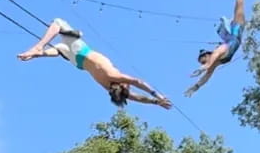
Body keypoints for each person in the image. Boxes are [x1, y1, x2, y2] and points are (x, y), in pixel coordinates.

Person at [18, 18, 172, 109]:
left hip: (81, 51)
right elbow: (135, 98)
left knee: (58, 22)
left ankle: (39, 46)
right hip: (77, 62)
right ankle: (39, 54)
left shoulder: (115, 76)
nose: (129, 85)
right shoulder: (108, 87)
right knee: (59, 49)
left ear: (123, 85)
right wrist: (156, 102)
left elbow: (139, 82)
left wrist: (157, 95)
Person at [185, 0, 249, 97]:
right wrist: (195, 87)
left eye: (203, 61)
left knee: (239, 3)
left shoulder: (218, 51)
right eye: (203, 63)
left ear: (207, 56)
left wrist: (205, 66)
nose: (204, 63)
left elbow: (216, 54)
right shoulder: (216, 63)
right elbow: (207, 76)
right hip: (234, 34)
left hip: (235, 32)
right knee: (237, 6)